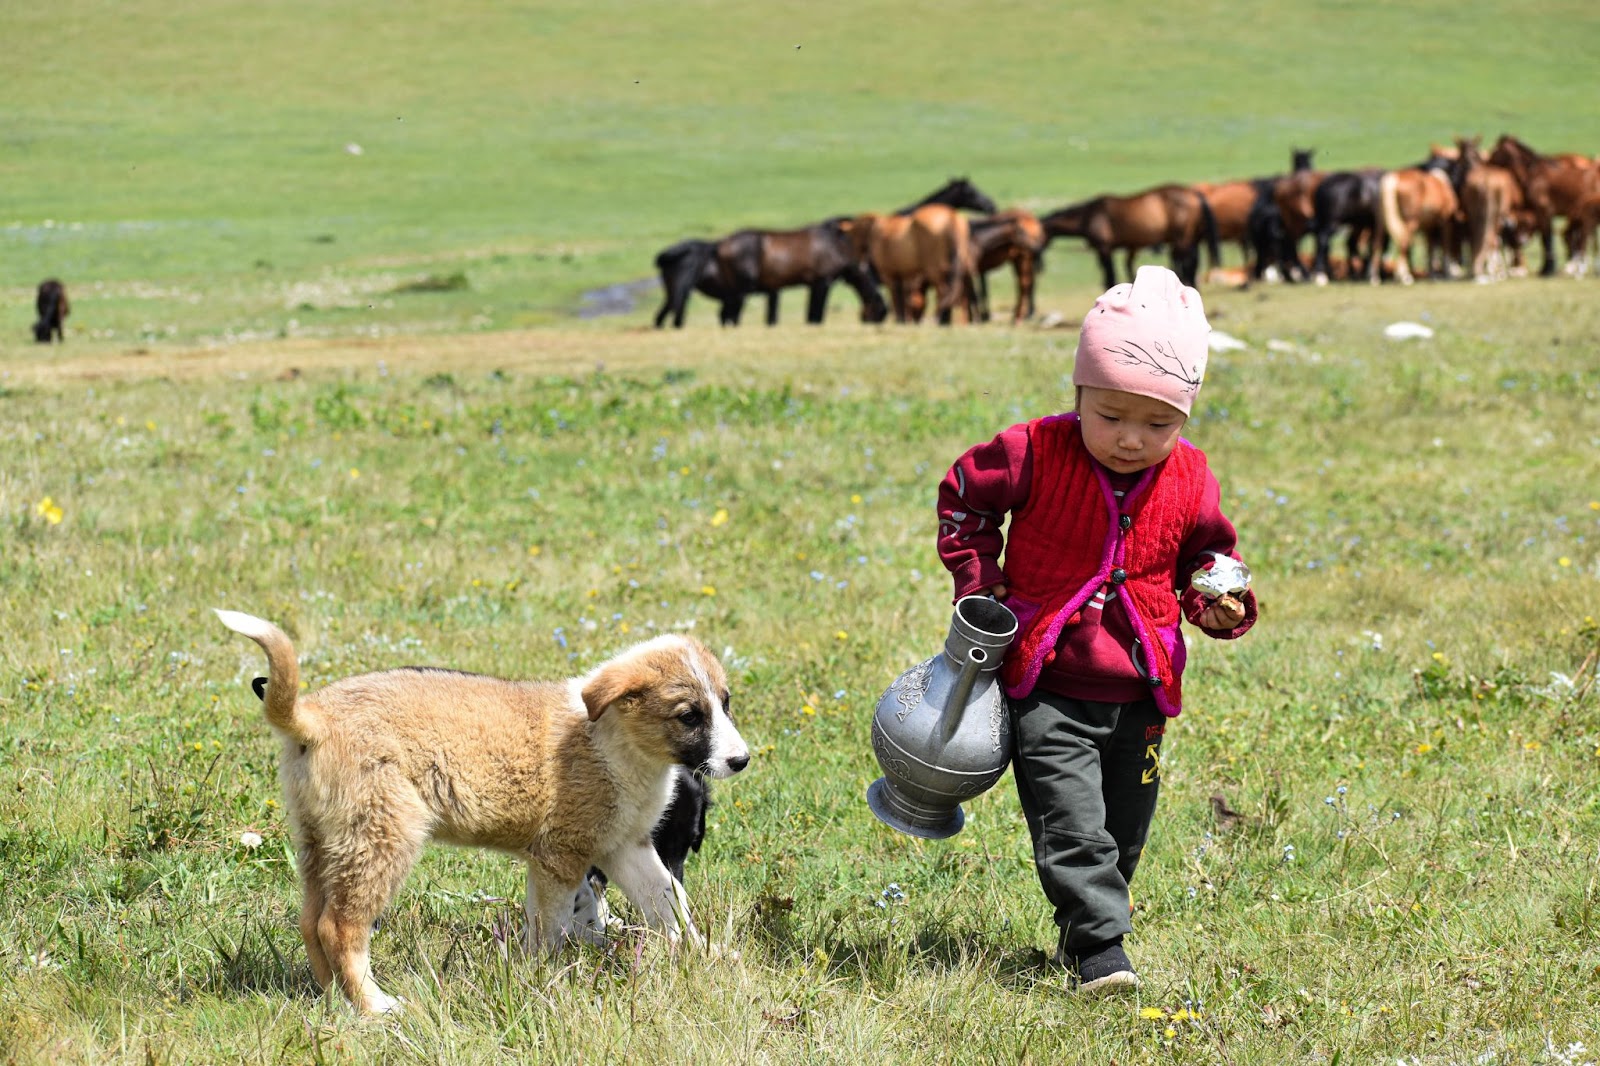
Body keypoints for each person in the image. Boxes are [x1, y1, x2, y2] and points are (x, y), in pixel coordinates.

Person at [935, 265, 1257, 993]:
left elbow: (1211, 555)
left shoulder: (1192, 476)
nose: (1131, 439)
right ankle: (1101, 951)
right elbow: (963, 501)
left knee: (1123, 831)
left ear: (1185, 417)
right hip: (1046, 683)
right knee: (1073, 824)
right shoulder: (1033, 450)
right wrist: (982, 588)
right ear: (1078, 391)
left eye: (1158, 424)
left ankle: (1085, 931)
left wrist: (1219, 600)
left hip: (1141, 687)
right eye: (1109, 415)